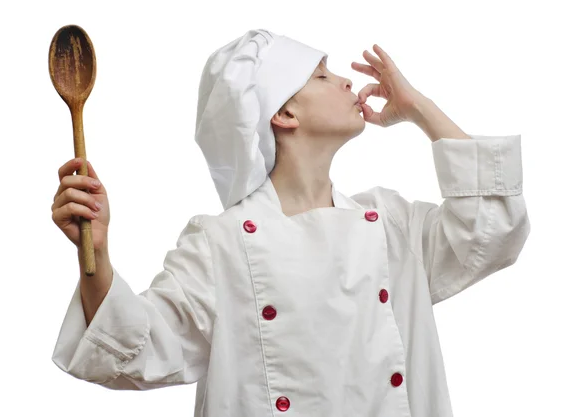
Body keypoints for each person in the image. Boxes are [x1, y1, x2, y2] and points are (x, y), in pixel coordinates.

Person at [50, 28, 530, 417]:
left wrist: (420, 109)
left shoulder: (390, 224)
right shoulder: (222, 243)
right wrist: (97, 252)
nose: (346, 81)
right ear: (282, 112)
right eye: (321, 76)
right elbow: (136, 351)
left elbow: (494, 227)